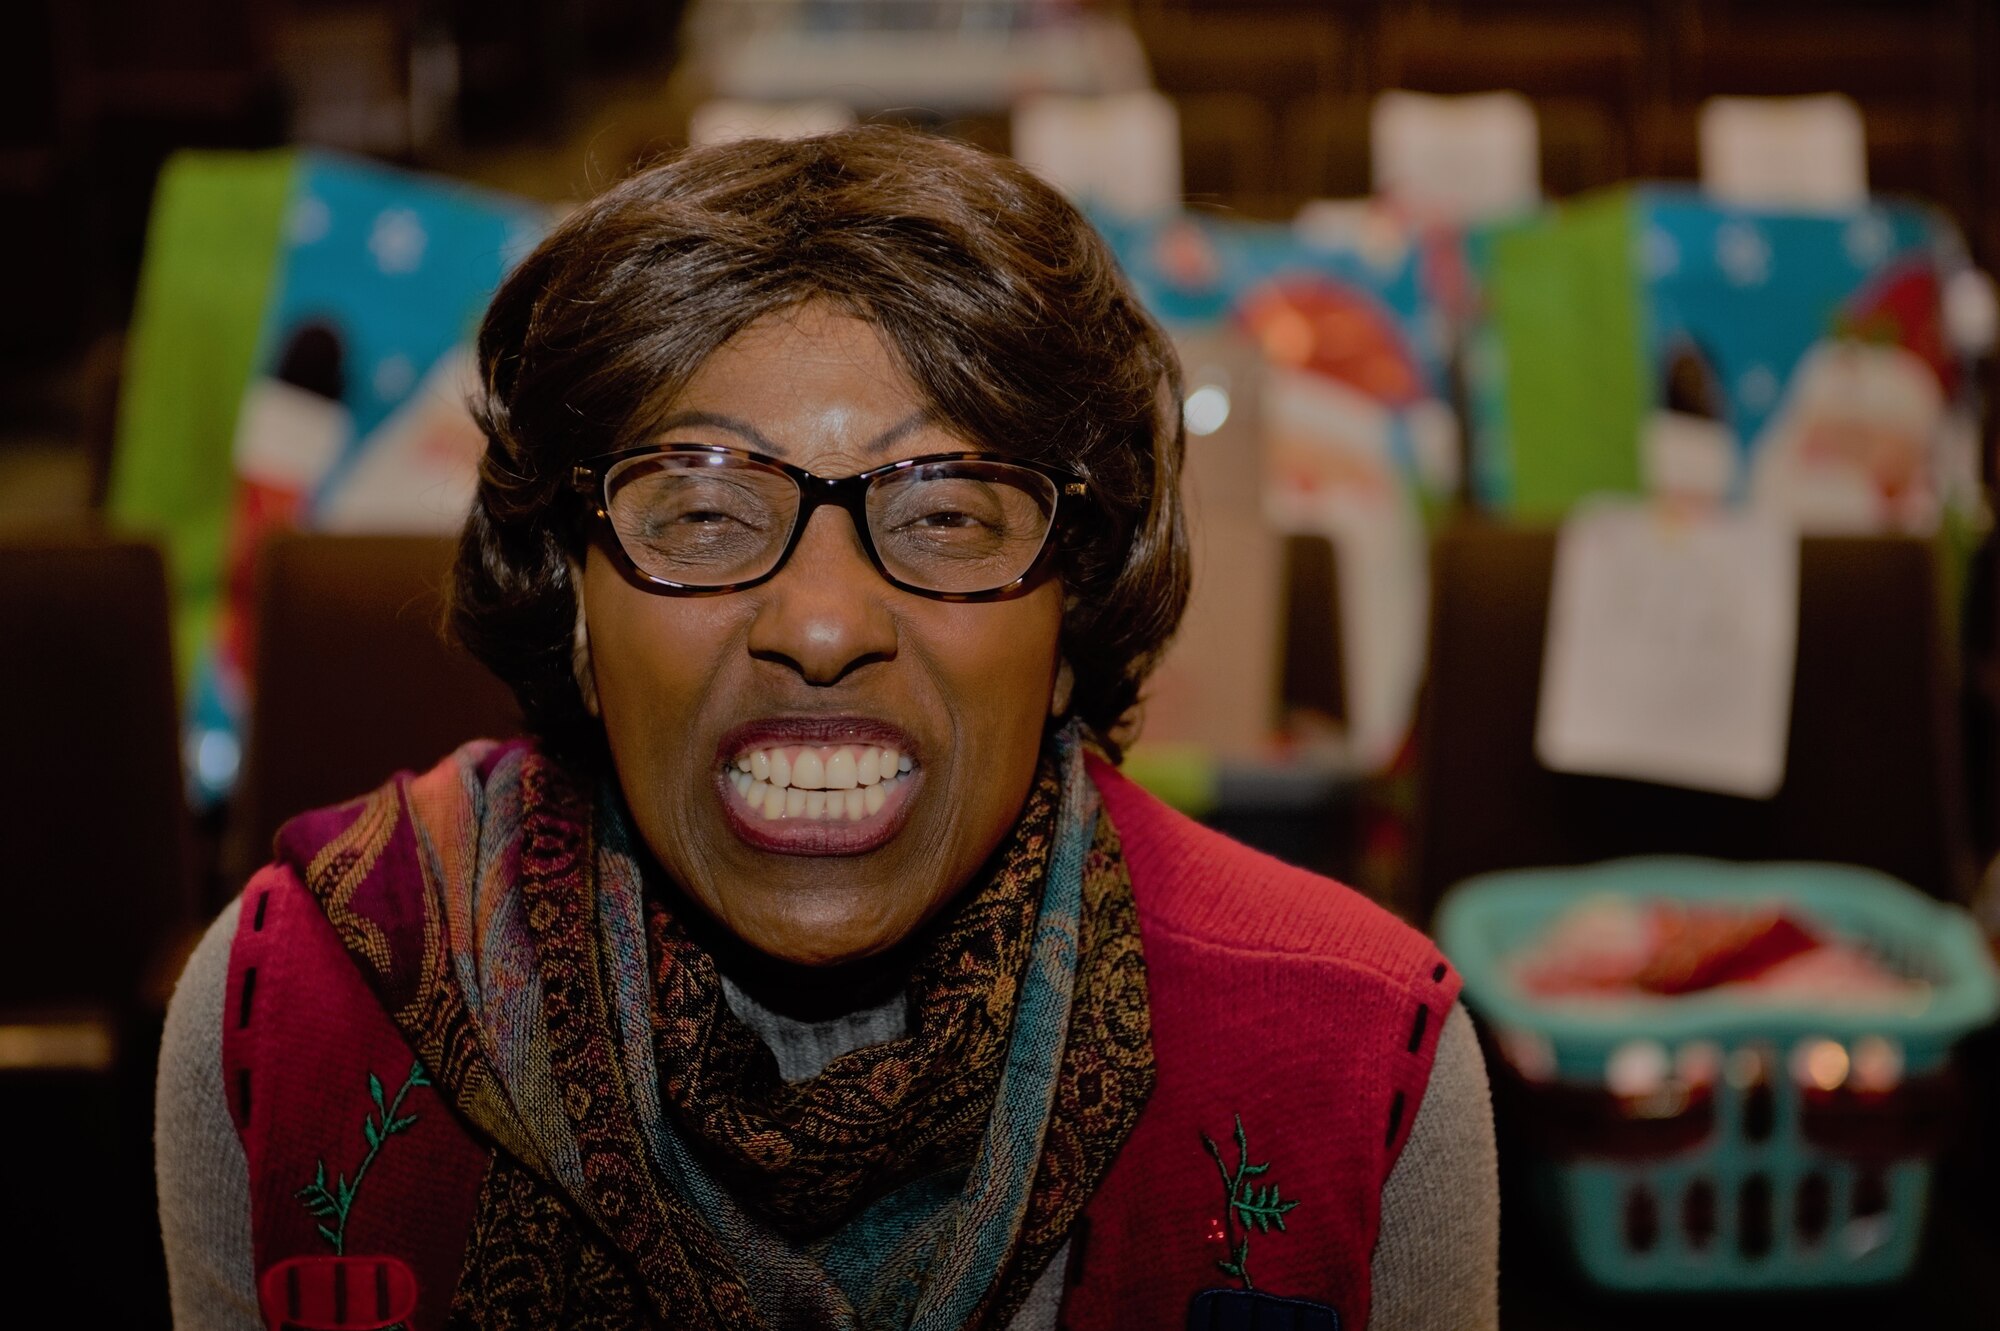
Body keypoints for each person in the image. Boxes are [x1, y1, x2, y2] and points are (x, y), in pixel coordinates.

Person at [156, 126, 1496, 1331]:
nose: (820, 620)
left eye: (948, 514)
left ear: (1070, 610)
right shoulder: (299, 1017)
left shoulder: (1359, 1070)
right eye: (702, 509)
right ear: (571, 592)